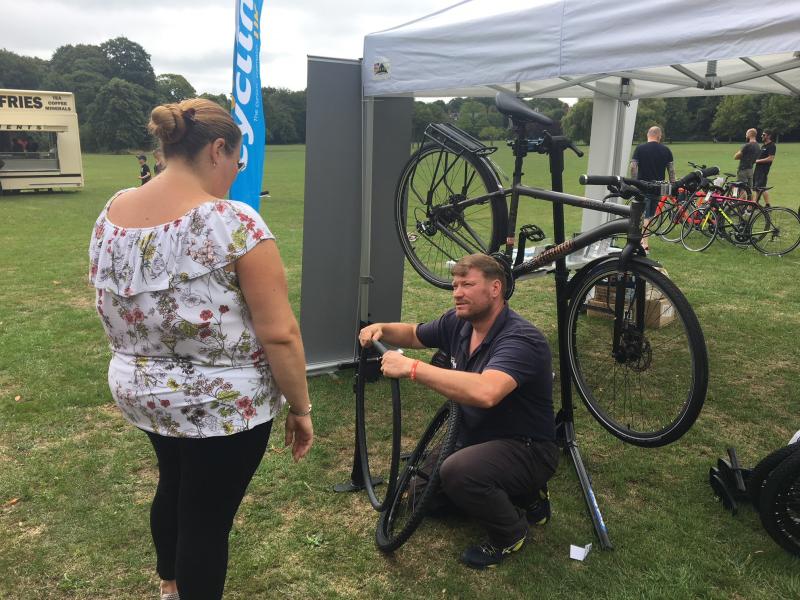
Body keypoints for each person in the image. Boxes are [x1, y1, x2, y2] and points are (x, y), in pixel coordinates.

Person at [89, 98, 313, 600]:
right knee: (206, 520)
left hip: (141, 393)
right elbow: (281, 334)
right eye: (237, 160)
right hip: (222, 404)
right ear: (217, 150)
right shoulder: (233, 222)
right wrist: (301, 408)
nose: (236, 171)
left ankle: (169, 587)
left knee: (173, 484)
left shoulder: (114, 210)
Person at [359, 254, 558, 570]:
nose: (457, 292)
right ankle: (520, 495)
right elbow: (413, 334)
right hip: (474, 437)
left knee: (458, 472)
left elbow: (486, 392)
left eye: (467, 284)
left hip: (526, 447)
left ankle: (511, 533)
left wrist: (412, 368)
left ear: (495, 288)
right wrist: (380, 328)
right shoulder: (458, 323)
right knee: (420, 497)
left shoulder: (521, 338)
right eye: (455, 285)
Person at [630, 126, 676, 253]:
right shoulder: (666, 150)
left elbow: (633, 167)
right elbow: (671, 171)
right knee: (649, 214)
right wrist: (673, 186)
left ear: (648, 135)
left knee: (640, 213)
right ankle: (643, 243)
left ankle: (643, 243)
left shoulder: (639, 148)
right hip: (657, 188)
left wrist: (634, 182)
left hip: (641, 186)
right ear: (659, 136)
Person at [753, 129, 777, 207]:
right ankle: (760, 205)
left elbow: (771, 158)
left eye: (764, 135)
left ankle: (757, 206)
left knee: (759, 188)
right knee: (759, 188)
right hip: (757, 169)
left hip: (763, 170)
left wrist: (758, 161)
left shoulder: (772, 146)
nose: (762, 136)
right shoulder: (763, 146)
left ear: (769, 136)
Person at [733, 128, 760, 192]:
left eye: (746, 134)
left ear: (749, 134)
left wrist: (741, 153)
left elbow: (735, 157)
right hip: (750, 169)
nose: (746, 135)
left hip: (743, 169)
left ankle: (742, 202)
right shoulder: (758, 146)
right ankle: (750, 201)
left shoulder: (747, 145)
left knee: (742, 189)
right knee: (749, 189)